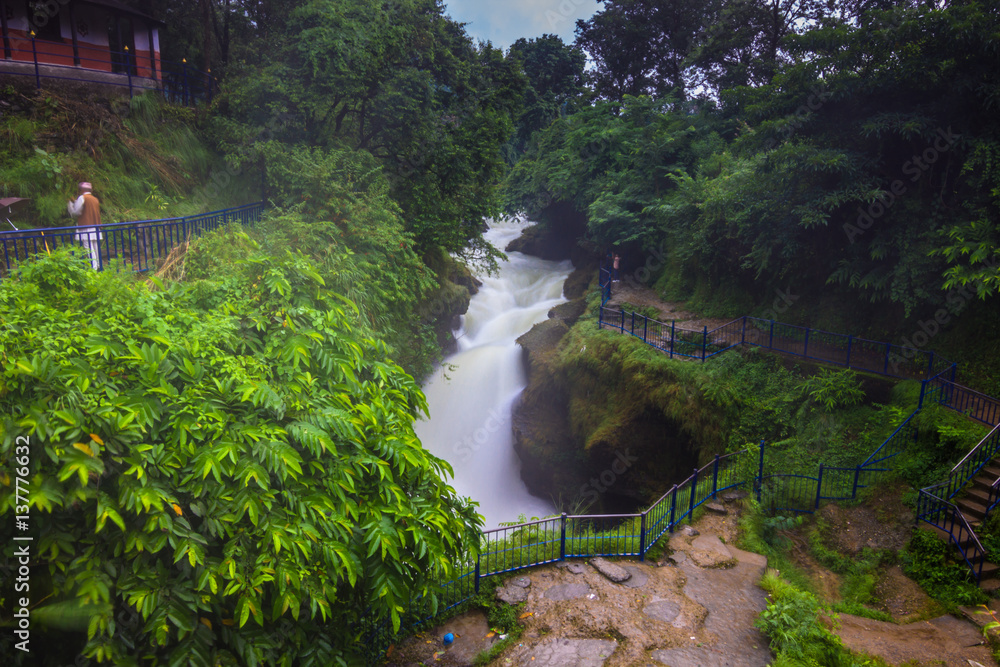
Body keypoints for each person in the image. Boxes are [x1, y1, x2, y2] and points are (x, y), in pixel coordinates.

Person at [68, 182, 102, 269]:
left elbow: (77, 211)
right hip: (96, 226)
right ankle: (98, 266)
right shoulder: (95, 199)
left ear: (82, 190)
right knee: (95, 247)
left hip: (86, 227)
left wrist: (71, 206)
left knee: (89, 248)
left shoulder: (82, 198)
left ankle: (94, 268)